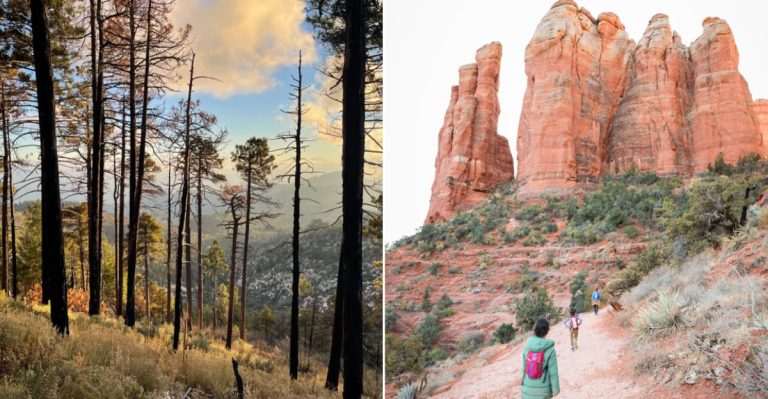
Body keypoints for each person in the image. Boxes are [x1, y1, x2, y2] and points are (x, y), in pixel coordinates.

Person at [521, 319, 560, 399]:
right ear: (547, 331)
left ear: (534, 329)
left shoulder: (527, 347)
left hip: (527, 387)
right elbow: (553, 372)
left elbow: (524, 368)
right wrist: (555, 389)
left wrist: (523, 383)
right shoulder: (550, 349)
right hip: (543, 390)